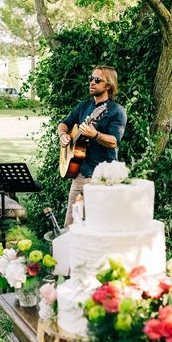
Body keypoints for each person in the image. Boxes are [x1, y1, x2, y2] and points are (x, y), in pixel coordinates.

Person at [58, 65, 127, 226]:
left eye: (97, 80)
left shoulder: (116, 111)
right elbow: (63, 124)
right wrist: (63, 135)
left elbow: (115, 141)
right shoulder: (83, 106)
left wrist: (95, 134)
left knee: (100, 227)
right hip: (80, 175)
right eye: (91, 79)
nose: (92, 82)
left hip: (103, 178)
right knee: (70, 227)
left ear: (108, 85)